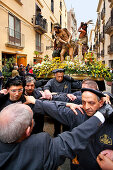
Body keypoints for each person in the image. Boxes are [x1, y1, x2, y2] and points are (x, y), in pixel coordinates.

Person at [0, 102, 108, 170]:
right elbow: (70, 141)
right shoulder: (40, 146)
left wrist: (65, 104)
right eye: (32, 119)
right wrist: (101, 116)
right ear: (28, 130)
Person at [25, 88, 113, 170]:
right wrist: (36, 102)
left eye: (91, 103)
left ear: (101, 102)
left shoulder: (110, 118)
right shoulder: (77, 113)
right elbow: (56, 109)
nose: (86, 107)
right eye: (83, 102)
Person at [43, 68, 81, 136]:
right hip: (57, 105)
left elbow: (79, 85)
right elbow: (46, 87)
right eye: (58, 76)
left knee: (66, 124)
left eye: (62, 76)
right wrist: (47, 91)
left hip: (68, 105)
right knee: (56, 123)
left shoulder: (67, 81)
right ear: (55, 75)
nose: (60, 78)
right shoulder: (51, 81)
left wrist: (72, 79)